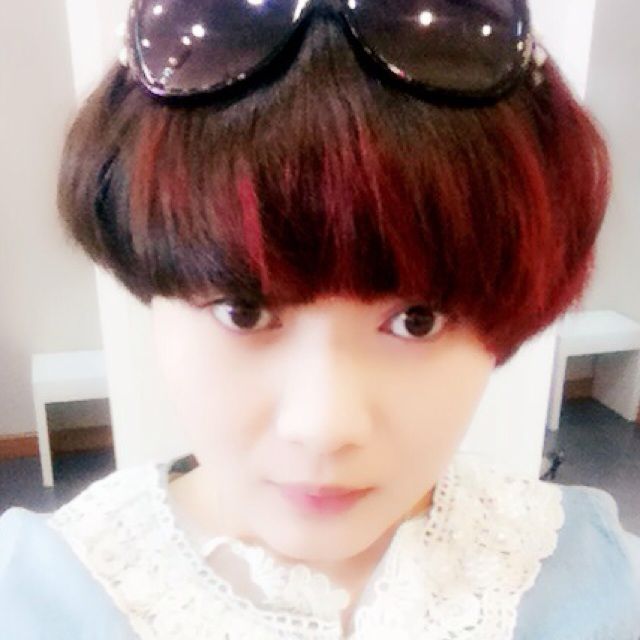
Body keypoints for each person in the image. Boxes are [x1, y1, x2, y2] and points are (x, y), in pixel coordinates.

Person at [1, 0, 639, 638]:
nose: (323, 427)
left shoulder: (602, 585)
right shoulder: (33, 598)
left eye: (417, 321)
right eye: (244, 311)